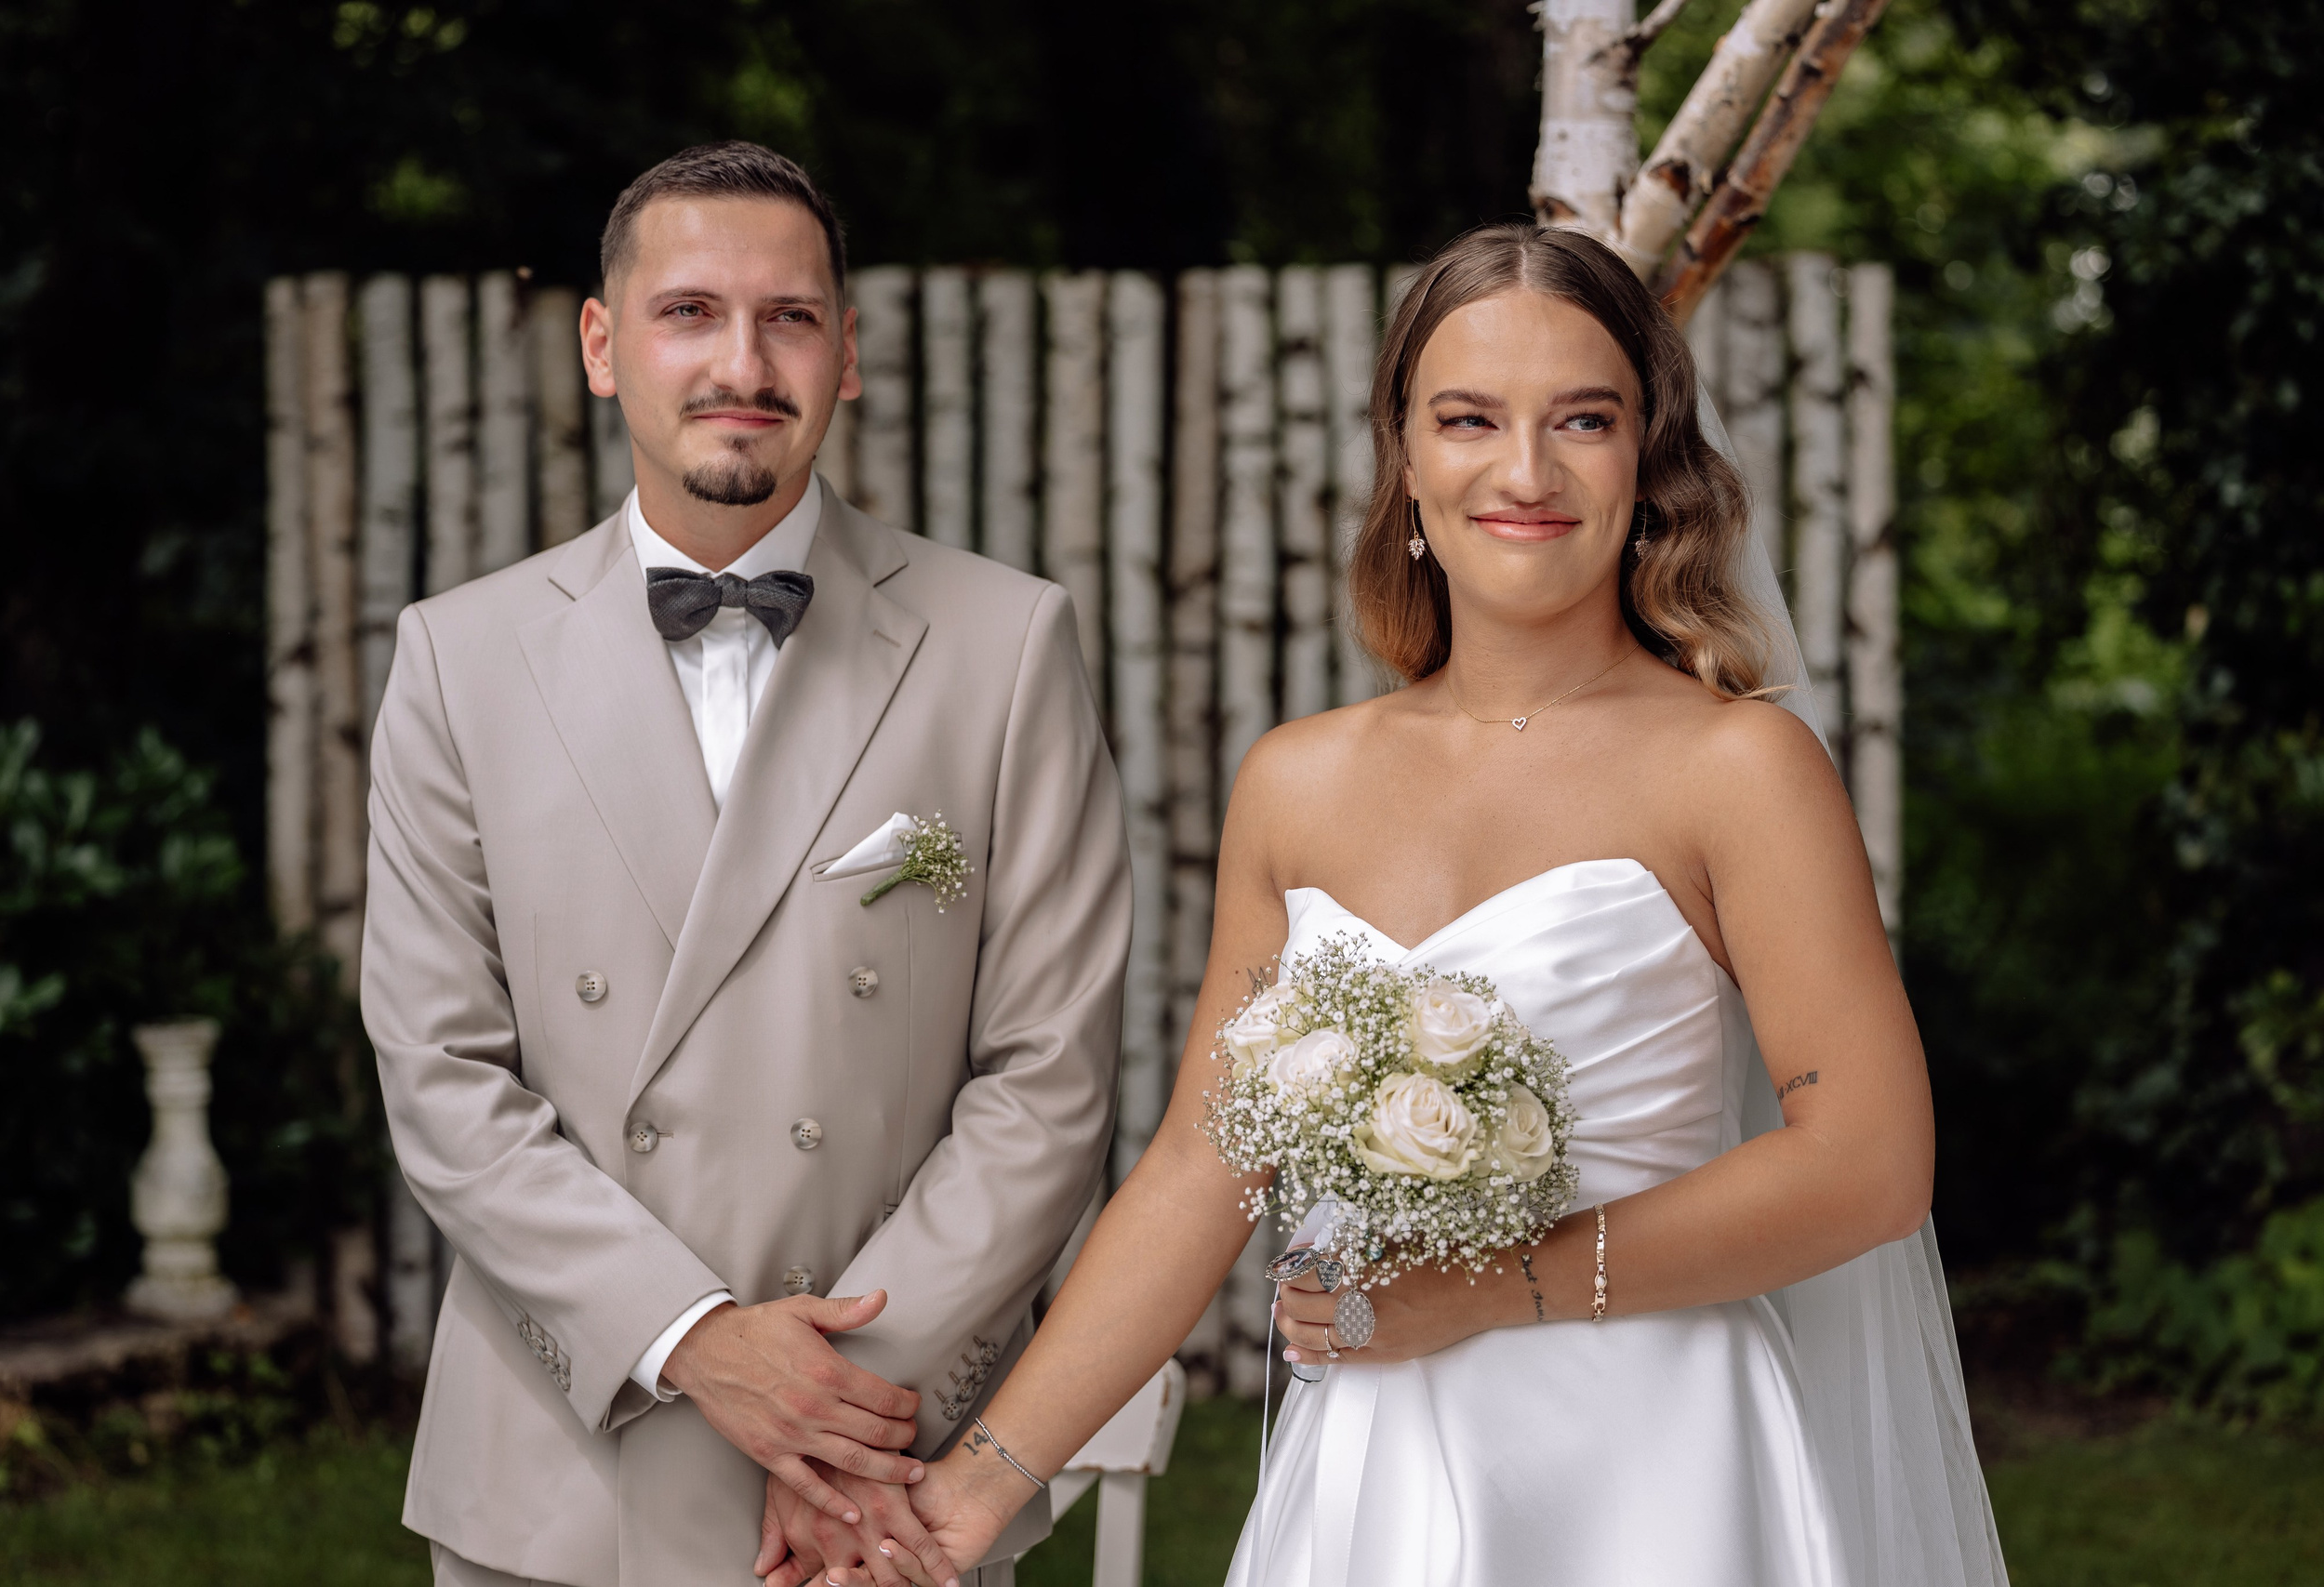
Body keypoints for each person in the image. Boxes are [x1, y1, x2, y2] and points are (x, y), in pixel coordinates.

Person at [832, 225, 2007, 1587]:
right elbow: (1200, 1175)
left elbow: (1867, 1161)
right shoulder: (1297, 781)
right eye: (1469, 420)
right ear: (1405, 457)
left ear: (1650, 459)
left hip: (1658, 1469)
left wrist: (1493, 1290)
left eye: (1585, 418)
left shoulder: (1738, 767)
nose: (1525, 471)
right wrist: (965, 1500)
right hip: (1381, 1457)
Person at [361, 140, 1131, 1587]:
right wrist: (695, 1343)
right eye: (690, 313)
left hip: (886, 1490)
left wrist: (835, 1421)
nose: (743, 361)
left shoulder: (1005, 644)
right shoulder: (458, 658)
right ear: (604, 345)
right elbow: (442, 1078)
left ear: (848, 352)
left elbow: (1051, 1080)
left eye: (789, 317)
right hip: (562, 1473)